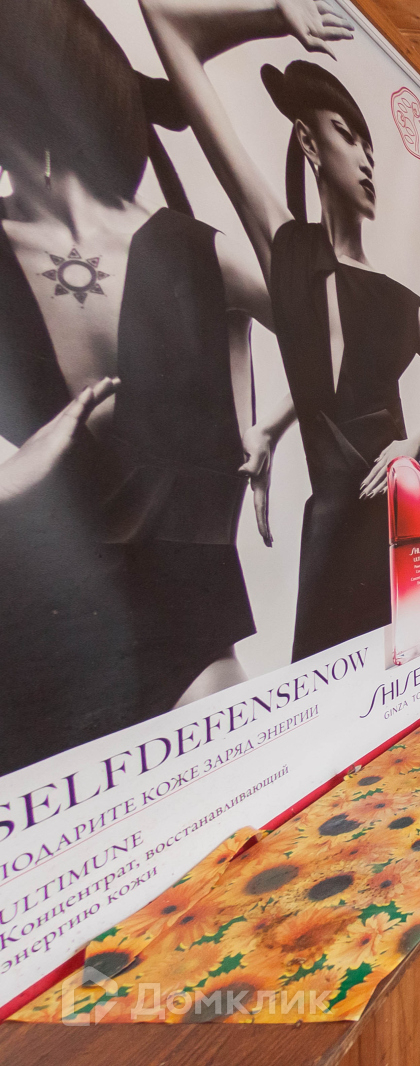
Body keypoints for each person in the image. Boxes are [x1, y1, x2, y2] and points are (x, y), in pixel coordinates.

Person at [0, 0, 276, 775]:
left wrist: (253, 414)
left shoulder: (190, 250)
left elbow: (331, 328)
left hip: (187, 646)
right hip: (33, 648)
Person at [141, 0, 420, 662]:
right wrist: (273, 15)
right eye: (348, 136)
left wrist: (412, 443)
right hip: (334, 527)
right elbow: (166, 23)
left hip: (409, 517)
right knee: (329, 690)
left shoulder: (401, 301)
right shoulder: (284, 250)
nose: (367, 159)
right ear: (309, 144)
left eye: (371, 147)